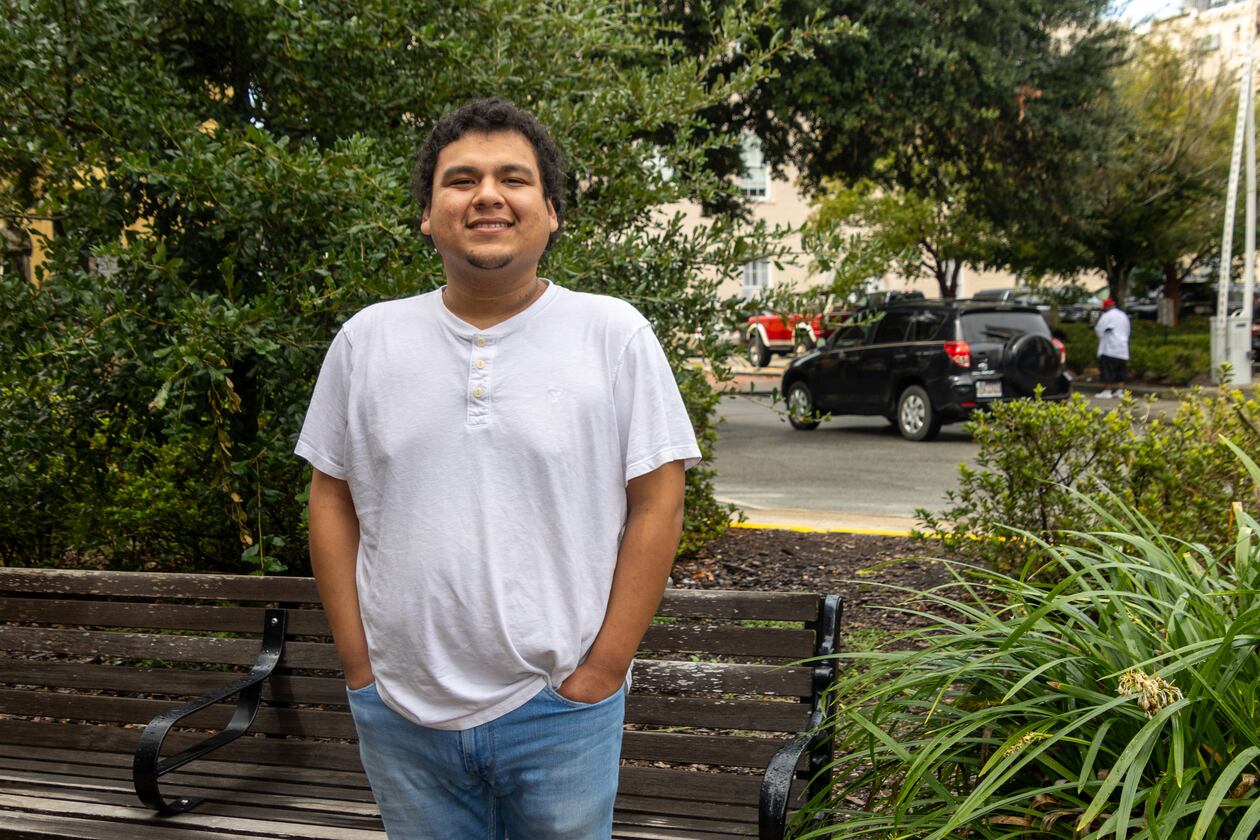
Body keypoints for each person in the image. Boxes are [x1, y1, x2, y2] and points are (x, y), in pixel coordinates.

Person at [295, 97, 701, 839]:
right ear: (428, 215)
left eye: (513, 179)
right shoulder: (366, 341)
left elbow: (659, 503)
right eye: (461, 180)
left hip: (560, 711)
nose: (487, 195)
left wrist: (602, 672)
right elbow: (332, 499)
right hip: (400, 711)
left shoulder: (613, 335)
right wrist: (359, 666)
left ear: (551, 212)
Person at [1094, 297, 1130, 398]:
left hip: (1109, 347)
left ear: (1106, 307)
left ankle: (1108, 391)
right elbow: (1127, 330)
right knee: (1121, 370)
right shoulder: (1123, 315)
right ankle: (1120, 390)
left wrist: (1100, 335)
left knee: (1107, 370)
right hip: (1122, 347)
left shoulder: (1107, 316)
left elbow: (1099, 329)